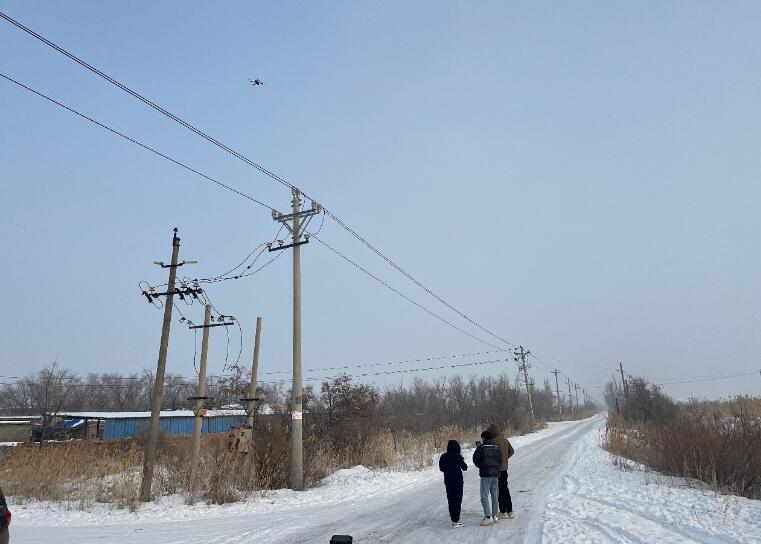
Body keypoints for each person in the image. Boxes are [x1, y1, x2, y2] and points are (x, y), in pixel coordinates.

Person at [472, 429, 502, 525]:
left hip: (486, 474)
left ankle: (488, 516)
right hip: (495, 474)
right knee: (494, 494)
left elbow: (475, 459)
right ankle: (495, 515)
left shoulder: (481, 448)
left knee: (484, 495)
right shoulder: (496, 448)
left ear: (484, 438)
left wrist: (481, 466)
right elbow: (499, 459)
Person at [487, 422, 515, 519]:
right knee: (505, 488)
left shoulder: (491, 441)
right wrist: (505, 459)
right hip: (504, 469)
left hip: (495, 470)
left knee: (497, 490)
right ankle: (510, 510)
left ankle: (502, 510)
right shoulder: (505, 440)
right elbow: (511, 451)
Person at [438, 439, 468, 528]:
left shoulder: (443, 456)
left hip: (448, 481)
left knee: (451, 500)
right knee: (457, 500)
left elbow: (441, 468)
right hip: (457, 481)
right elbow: (465, 467)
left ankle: (453, 518)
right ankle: (456, 520)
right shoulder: (457, 456)